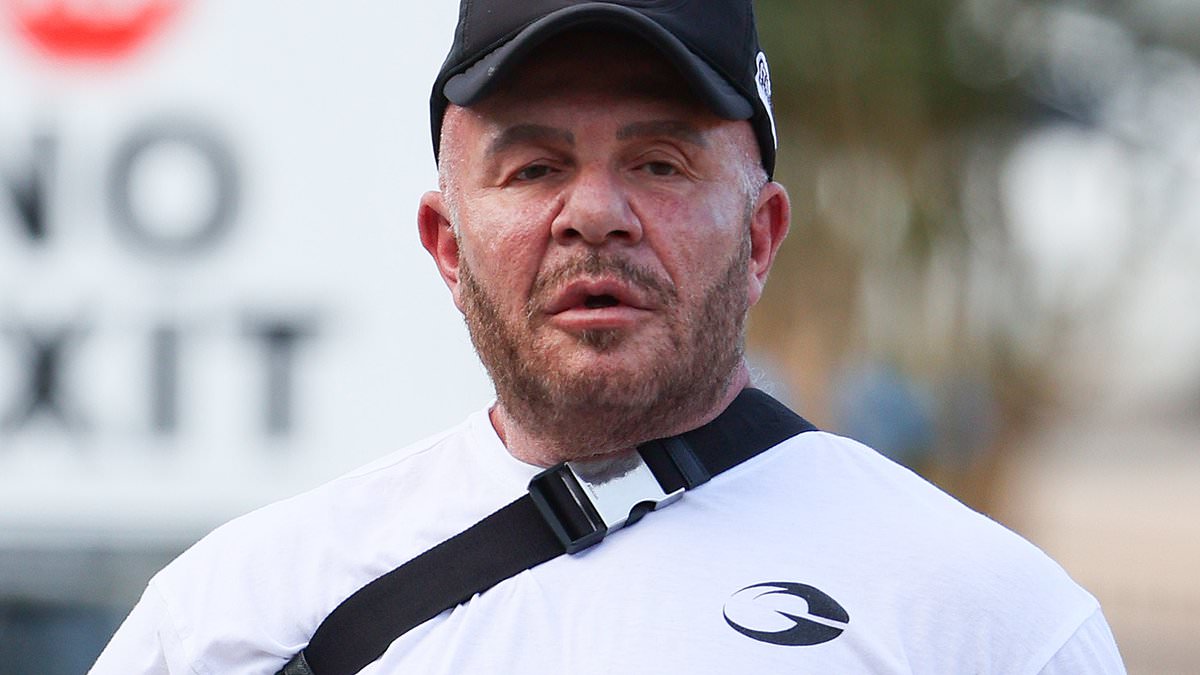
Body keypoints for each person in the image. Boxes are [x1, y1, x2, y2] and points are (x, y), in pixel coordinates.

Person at [91, 1, 1127, 673]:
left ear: (762, 235)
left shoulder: (988, 622)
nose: (596, 213)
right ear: (446, 246)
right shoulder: (232, 616)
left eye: (661, 163)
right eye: (534, 167)